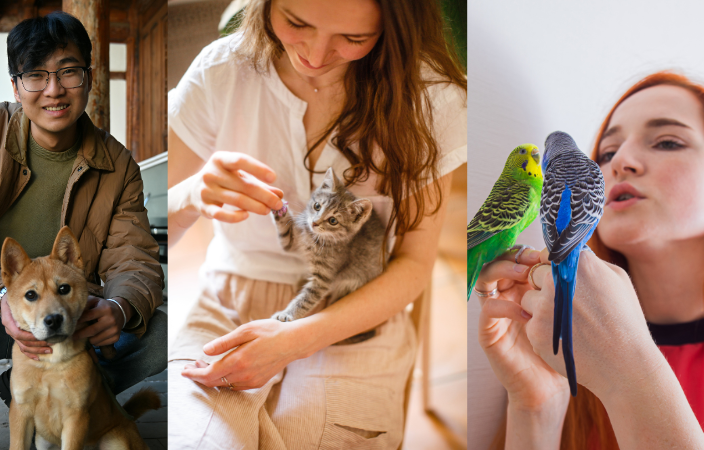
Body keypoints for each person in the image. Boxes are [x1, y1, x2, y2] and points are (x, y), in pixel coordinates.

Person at [166, 0, 466, 447]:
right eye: (295, 22)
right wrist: (190, 197)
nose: (314, 54)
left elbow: (414, 265)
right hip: (228, 302)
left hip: (354, 317)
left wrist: (295, 340)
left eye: (353, 38)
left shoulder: (432, 99)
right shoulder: (222, 70)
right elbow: (139, 234)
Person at [0, 12, 166, 449]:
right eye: (35, 75)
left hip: (68, 321)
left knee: (155, 332)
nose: (53, 90)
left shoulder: (117, 165)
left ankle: (31, 390)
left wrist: (119, 307)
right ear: (15, 85)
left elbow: (134, 259)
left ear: (89, 77)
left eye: (68, 72)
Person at [475, 71, 704, 449]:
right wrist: (537, 407)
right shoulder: (557, 328)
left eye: (666, 142)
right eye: (608, 152)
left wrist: (628, 371)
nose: (620, 162)